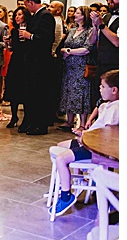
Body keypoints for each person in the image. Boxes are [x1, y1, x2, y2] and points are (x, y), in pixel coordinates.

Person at [50, 69, 118, 217]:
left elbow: (106, 133)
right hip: (88, 142)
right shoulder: (109, 105)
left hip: (94, 148)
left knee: (62, 159)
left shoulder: (116, 108)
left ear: (114, 90)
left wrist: (85, 137)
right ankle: (76, 180)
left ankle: (66, 196)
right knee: (60, 146)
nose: (100, 89)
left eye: (102, 86)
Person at [17, 0, 59, 135]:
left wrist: (30, 36)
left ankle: (41, 125)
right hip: (32, 61)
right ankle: (32, 122)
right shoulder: (36, 15)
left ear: (30, 3)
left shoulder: (45, 15)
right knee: (32, 93)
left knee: (40, 94)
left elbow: (47, 38)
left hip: (40, 61)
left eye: (25, 4)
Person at [58, 6, 96, 131]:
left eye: (78, 13)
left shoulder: (89, 31)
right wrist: (65, 51)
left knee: (81, 94)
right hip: (69, 66)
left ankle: (82, 124)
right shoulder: (72, 30)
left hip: (81, 65)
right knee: (68, 92)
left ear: (84, 16)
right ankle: (69, 120)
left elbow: (86, 49)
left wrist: (69, 51)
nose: (75, 15)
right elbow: (65, 44)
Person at [4, 6, 31, 128]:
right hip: (16, 60)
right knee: (13, 88)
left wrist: (27, 37)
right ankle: (14, 115)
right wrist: (7, 44)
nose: (17, 17)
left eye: (20, 14)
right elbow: (12, 48)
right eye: (16, 15)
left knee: (25, 90)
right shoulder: (14, 31)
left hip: (27, 61)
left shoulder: (30, 30)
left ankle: (26, 118)